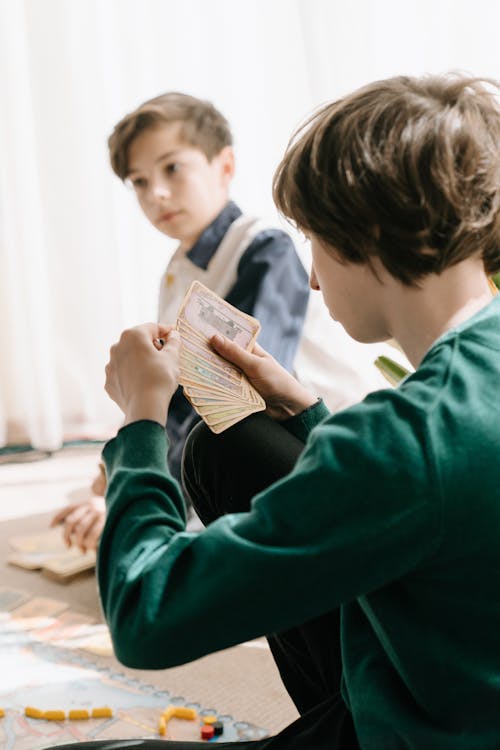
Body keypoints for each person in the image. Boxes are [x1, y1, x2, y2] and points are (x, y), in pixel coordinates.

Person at [47, 71, 500, 750]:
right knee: (225, 447)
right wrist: (308, 409)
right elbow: (421, 490)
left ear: (367, 230)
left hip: (420, 731)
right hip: (454, 680)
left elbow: (146, 617)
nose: (313, 275)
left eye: (315, 238)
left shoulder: (408, 436)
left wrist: (140, 419)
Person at [50, 91, 310, 551]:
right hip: (226, 437)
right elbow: (177, 387)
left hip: (292, 444)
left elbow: (229, 394)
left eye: (172, 168)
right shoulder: (179, 267)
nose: (157, 194)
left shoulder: (263, 250)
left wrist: (141, 483)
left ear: (224, 165)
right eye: (140, 182)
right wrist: (125, 460)